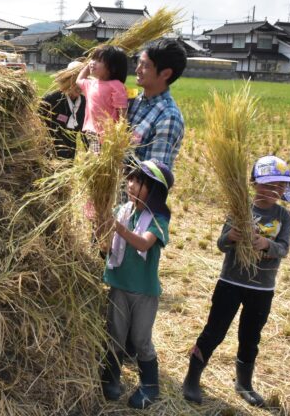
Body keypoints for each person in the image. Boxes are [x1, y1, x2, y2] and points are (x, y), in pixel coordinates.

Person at [182, 155, 290, 408]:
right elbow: (221, 244)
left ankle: (244, 384)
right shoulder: (239, 209)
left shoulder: (283, 217)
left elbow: (284, 248)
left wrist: (266, 244)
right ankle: (192, 378)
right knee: (214, 331)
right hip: (231, 283)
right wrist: (231, 236)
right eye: (268, 184)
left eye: (279, 185)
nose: (274, 190)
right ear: (254, 183)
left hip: (262, 288)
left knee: (250, 337)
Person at [99, 159, 174, 409]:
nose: (130, 184)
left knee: (141, 339)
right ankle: (111, 378)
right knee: (115, 335)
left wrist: (117, 228)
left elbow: (143, 243)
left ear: (154, 190)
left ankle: (149, 386)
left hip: (143, 292)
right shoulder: (123, 211)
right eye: (130, 178)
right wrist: (103, 234)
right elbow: (107, 248)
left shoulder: (158, 219)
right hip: (119, 285)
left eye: (139, 181)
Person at [127, 39, 187, 169]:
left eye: (145, 66)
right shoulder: (134, 101)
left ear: (165, 74)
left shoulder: (169, 117)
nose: (137, 69)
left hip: (134, 188)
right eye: (139, 63)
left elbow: (152, 175)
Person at [75, 45, 129, 153]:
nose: (93, 62)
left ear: (112, 68)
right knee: (94, 158)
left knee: (101, 159)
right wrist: (88, 65)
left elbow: (122, 112)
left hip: (109, 134)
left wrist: (122, 133)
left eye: (99, 61)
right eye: (93, 59)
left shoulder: (116, 85)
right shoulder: (90, 83)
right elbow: (79, 80)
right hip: (91, 131)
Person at [39, 60, 87, 159]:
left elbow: (85, 131)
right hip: (50, 153)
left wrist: (90, 152)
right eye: (76, 82)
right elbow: (37, 122)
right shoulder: (52, 99)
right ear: (67, 81)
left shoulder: (84, 103)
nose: (79, 87)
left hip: (70, 154)